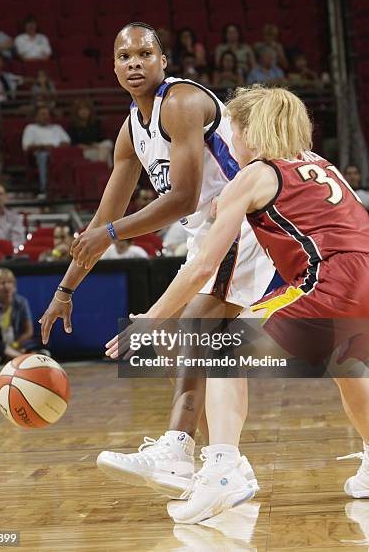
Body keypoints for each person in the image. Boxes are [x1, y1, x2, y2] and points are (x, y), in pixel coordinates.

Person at [38, 22, 276, 499]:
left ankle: (181, 451)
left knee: (188, 329)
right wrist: (64, 291)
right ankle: (221, 466)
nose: (134, 63)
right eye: (124, 56)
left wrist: (111, 230)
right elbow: (105, 219)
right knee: (190, 346)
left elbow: (185, 197)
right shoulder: (131, 130)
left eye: (144, 54)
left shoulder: (183, 102)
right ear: (113, 66)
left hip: (249, 223)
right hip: (210, 234)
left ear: (163, 61)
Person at [115, 85, 369, 523]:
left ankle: (224, 470)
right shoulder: (321, 164)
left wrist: (151, 320)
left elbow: (200, 268)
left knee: (223, 349)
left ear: (249, 130)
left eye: (231, 127)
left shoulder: (253, 175)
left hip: (330, 280)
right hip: (362, 277)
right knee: (348, 366)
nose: (228, 138)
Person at [0, 268, 43, 365]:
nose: (7, 286)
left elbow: (28, 331)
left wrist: (16, 343)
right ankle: (21, 356)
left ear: (14, 285)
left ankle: (12, 354)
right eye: (2, 283)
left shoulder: (21, 303)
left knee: (40, 339)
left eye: (9, 282)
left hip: (16, 342)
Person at [22, 105, 70, 197]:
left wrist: (55, 148)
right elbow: (27, 146)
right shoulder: (31, 128)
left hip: (58, 153)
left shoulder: (57, 128)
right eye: (43, 114)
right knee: (43, 156)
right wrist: (44, 147)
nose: (46, 116)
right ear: (36, 116)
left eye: (47, 114)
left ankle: (66, 190)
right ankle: (44, 189)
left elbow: (67, 142)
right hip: (41, 154)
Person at [67, 98, 113, 167]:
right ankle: (105, 171)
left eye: (86, 109)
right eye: (81, 109)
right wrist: (92, 146)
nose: (84, 111)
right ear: (76, 112)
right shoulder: (72, 127)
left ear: (90, 111)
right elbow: (74, 145)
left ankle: (101, 168)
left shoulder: (96, 124)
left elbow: (103, 139)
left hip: (98, 148)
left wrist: (96, 146)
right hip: (85, 151)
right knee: (107, 154)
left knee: (108, 143)